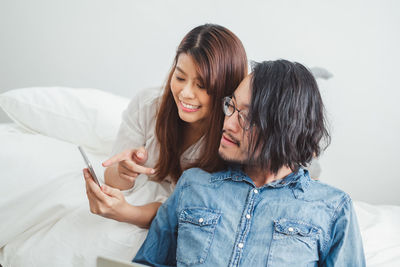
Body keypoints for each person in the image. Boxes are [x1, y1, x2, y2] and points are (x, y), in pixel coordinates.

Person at [133, 60, 366, 266]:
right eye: (231, 106)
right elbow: (146, 263)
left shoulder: (333, 208)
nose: (229, 123)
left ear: (285, 127)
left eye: (247, 117)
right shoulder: (193, 186)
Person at [83, 23, 248, 228]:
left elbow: (188, 214)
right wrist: (123, 172)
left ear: (226, 88)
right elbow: (111, 179)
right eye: (179, 77)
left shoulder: (232, 137)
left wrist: (127, 213)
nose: (185, 93)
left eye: (202, 85)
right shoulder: (148, 105)